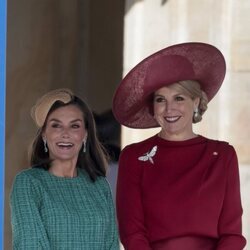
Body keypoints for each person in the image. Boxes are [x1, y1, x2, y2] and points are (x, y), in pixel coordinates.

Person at [112, 42, 247, 250]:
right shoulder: (134, 157)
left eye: (179, 98)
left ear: (196, 101)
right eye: (160, 99)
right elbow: (132, 233)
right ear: (153, 106)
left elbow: (232, 235)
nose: (169, 109)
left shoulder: (222, 156)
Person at [10, 88, 120, 249]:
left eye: (74, 126)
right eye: (56, 126)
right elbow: (30, 245)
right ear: (44, 135)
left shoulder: (99, 185)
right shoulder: (29, 183)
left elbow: (111, 245)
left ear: (85, 135)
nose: (65, 134)